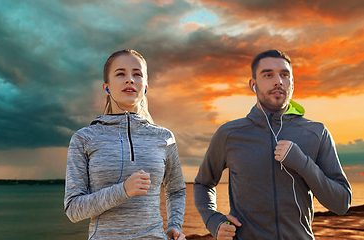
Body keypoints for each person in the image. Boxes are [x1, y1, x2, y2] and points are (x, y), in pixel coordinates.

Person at [194, 50, 352, 239]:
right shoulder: (229, 134)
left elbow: (342, 203)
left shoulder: (316, 133)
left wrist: (302, 163)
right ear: (253, 84)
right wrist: (213, 220)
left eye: (285, 75)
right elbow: (203, 183)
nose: (278, 81)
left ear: (292, 83)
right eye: (268, 75)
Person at [64, 49, 186, 240]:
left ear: (145, 87)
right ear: (107, 87)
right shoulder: (84, 138)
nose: (129, 79)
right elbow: (73, 209)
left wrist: (175, 225)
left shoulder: (164, 137)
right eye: (120, 74)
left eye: (137, 74)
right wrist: (123, 191)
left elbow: (176, 190)